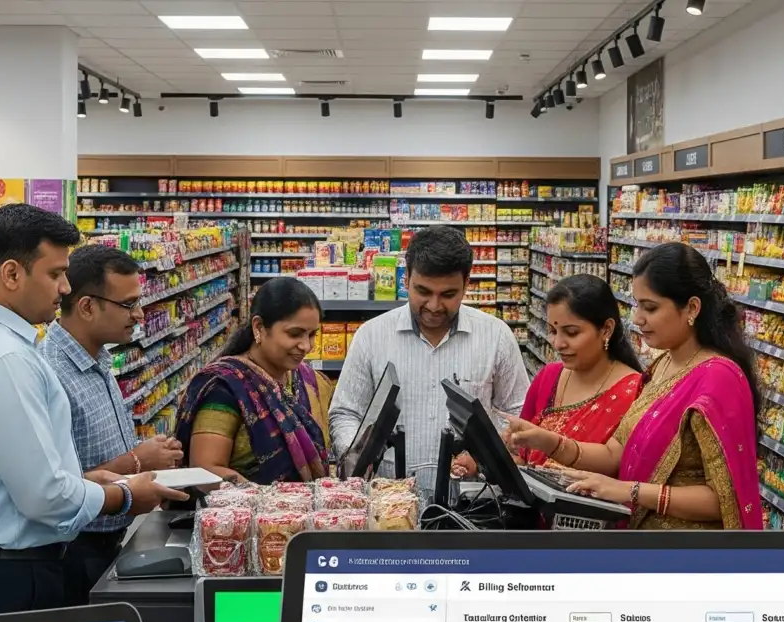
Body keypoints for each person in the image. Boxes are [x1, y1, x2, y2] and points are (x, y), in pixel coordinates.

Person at [0, 204, 188, 619]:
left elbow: (15, 476)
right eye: (55, 274)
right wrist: (124, 495)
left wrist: (86, 481)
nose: (65, 288)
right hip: (8, 577)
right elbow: (45, 498)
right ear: (12, 274)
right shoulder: (6, 360)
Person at [504, 243, 763, 530]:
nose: (637, 318)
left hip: (685, 551)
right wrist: (547, 442)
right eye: (637, 305)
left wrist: (631, 491)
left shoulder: (719, 378)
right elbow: (614, 454)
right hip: (640, 541)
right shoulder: (662, 366)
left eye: (650, 307)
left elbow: (725, 500)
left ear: (691, 308)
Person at [330, 225, 530, 494]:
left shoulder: (496, 336)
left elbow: (518, 413)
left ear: (466, 284)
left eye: (448, 294)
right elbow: (346, 412)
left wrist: (485, 458)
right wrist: (359, 457)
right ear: (406, 279)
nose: (434, 306)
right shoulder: (371, 336)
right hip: (388, 499)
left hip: (472, 501)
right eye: (423, 291)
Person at [38, 244, 186, 602]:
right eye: (128, 304)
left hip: (108, 540)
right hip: (72, 551)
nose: (139, 314)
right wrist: (137, 461)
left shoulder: (98, 357)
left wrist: (148, 460)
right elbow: (55, 488)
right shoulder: (49, 373)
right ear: (87, 306)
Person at [452, 274, 642, 478]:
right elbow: (524, 460)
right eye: (552, 330)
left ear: (606, 329)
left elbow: (623, 469)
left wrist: (551, 444)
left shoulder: (634, 392)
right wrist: (482, 463)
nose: (558, 343)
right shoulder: (549, 377)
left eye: (572, 333)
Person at [174, 277, 333, 484]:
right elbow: (206, 471)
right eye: (295, 334)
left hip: (307, 504)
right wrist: (266, 497)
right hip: (243, 504)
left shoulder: (309, 381)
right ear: (259, 327)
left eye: (312, 335)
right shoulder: (224, 388)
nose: (306, 346)